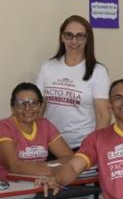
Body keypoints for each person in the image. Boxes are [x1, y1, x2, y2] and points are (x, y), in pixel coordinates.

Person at [36, 15, 110, 148]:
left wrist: (93, 147)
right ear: (62, 37)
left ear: (88, 39)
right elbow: (39, 108)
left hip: (82, 145)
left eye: (80, 36)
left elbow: (103, 115)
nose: (74, 41)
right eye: (69, 35)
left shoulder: (98, 71)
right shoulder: (48, 67)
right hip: (51, 144)